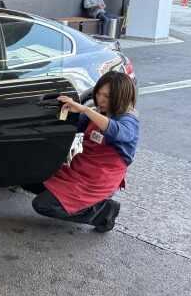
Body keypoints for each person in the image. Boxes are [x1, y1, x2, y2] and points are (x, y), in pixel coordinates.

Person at [29, 71, 139, 232]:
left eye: (107, 96)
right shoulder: (98, 112)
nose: (100, 100)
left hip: (98, 179)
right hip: (80, 169)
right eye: (99, 94)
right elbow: (72, 126)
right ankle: (80, 201)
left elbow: (117, 132)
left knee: (42, 205)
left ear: (120, 97)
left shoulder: (128, 120)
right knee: (30, 178)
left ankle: (103, 212)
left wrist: (86, 110)